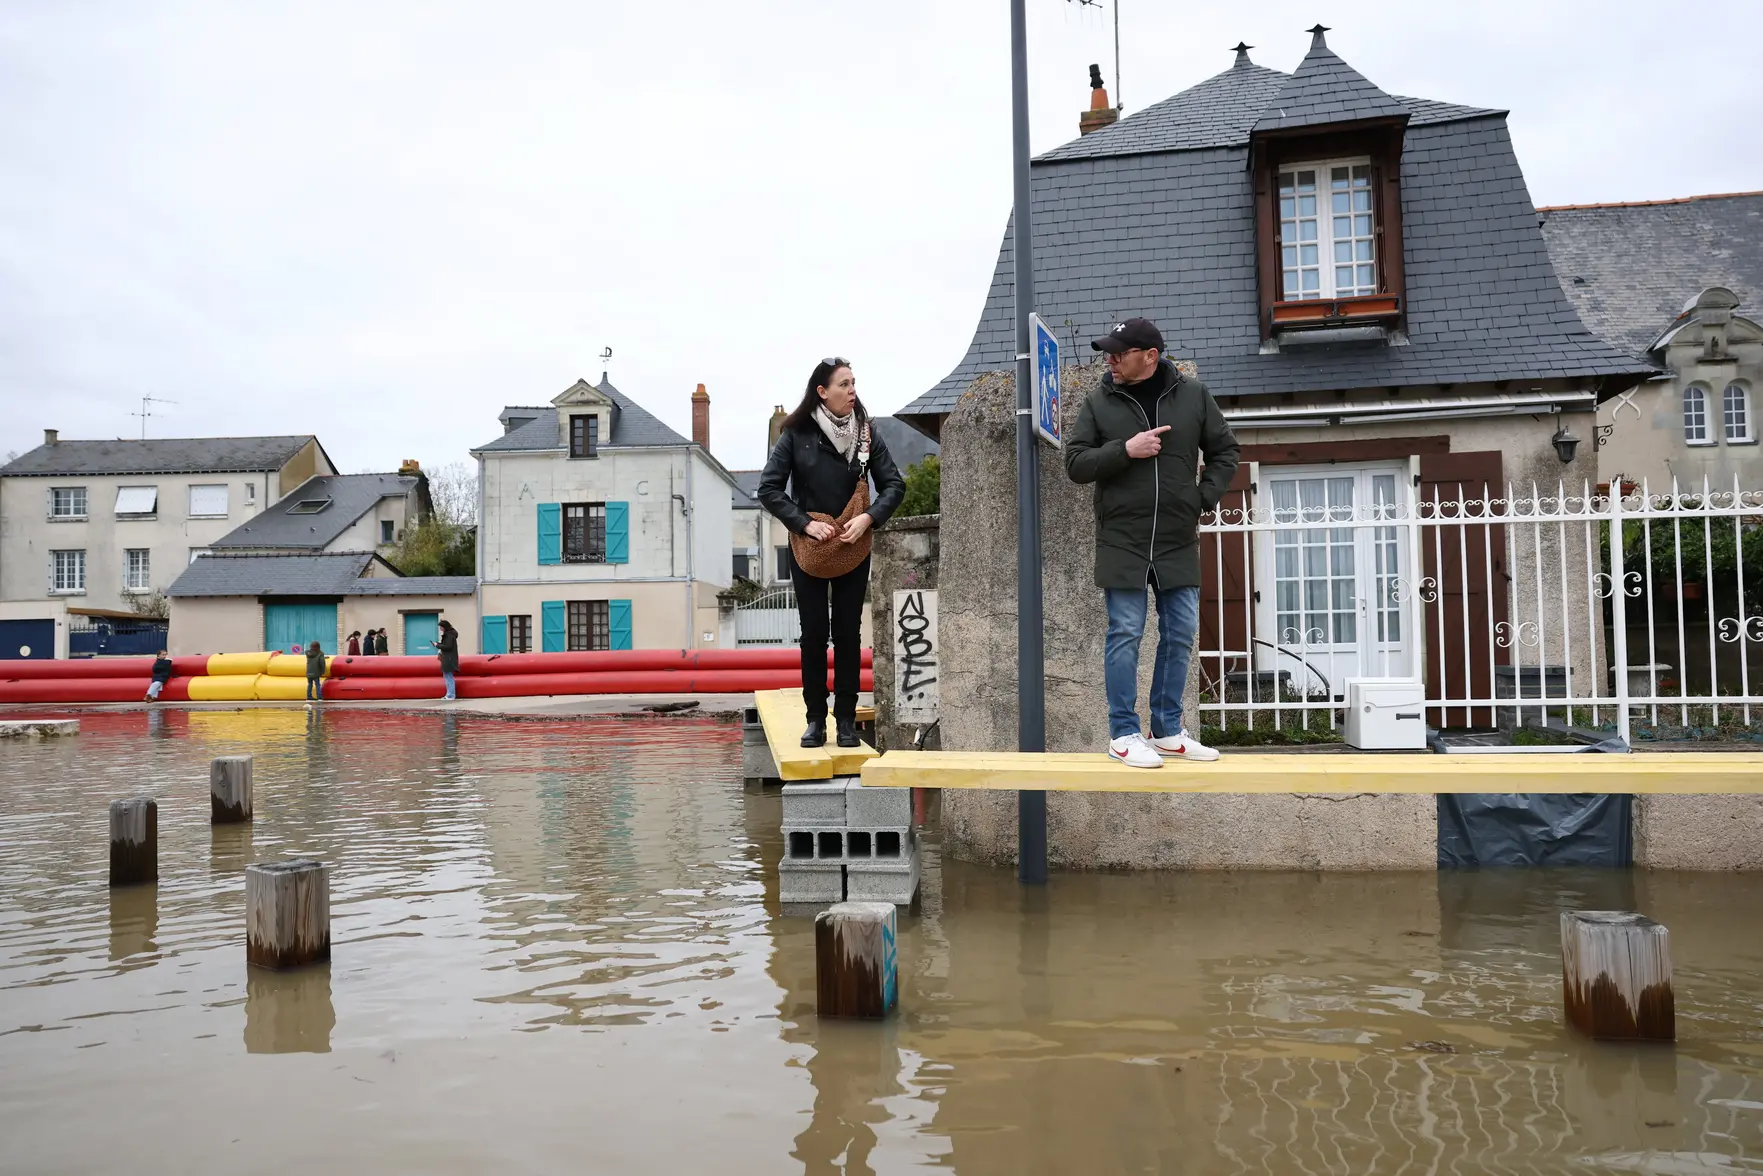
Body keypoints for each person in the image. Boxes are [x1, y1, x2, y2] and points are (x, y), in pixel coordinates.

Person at [1065, 318, 1240, 768]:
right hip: (1122, 538)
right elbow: (1076, 463)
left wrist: (1201, 499)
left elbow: (1225, 451)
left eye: (1118, 353)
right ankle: (1123, 734)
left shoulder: (1193, 396)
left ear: (1150, 356)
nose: (1110, 360)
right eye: (1109, 353)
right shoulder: (1099, 402)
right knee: (1125, 632)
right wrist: (1126, 449)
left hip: (1176, 538)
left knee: (1180, 632)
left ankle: (1166, 731)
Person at [758, 357, 905, 748]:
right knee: (813, 635)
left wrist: (869, 518)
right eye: (844, 384)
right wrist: (804, 523)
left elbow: (894, 485)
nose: (852, 390)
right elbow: (768, 488)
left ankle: (845, 722)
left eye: (854, 382)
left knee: (847, 634)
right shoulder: (796, 433)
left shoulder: (867, 434)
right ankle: (814, 720)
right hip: (809, 548)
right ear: (822, 392)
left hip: (853, 546)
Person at [432, 619, 459, 701]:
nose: (440, 629)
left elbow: (448, 646)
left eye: (441, 627)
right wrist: (439, 644)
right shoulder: (450, 634)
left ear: (444, 627)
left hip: (449, 659)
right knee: (447, 676)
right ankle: (449, 694)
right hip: (449, 658)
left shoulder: (449, 635)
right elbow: (446, 645)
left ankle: (451, 695)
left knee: (448, 677)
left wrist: (437, 645)